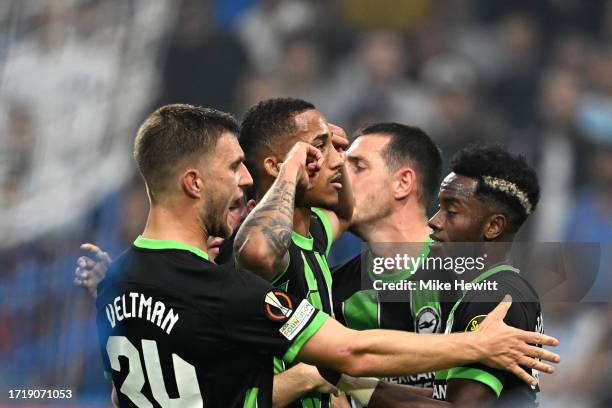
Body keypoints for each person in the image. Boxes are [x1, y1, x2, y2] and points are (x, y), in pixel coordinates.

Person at [87, 104, 560, 408]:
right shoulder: (230, 285)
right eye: (234, 169)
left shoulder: (118, 282)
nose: (245, 181)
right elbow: (348, 353)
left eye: (352, 157)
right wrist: (477, 345)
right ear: (194, 183)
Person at [400, 144, 546, 406]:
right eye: (439, 208)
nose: (434, 221)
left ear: (492, 226)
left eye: (451, 212)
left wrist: (360, 389)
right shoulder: (488, 290)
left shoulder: (497, 299)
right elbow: (444, 395)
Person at [235, 97, 354, 407]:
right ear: (276, 166)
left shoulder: (314, 233)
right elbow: (260, 253)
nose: (337, 161)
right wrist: (290, 170)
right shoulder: (256, 244)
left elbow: (345, 214)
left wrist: (337, 154)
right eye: (319, 149)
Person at [331, 123, 448, 402]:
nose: (339, 177)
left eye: (357, 167)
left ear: (402, 183)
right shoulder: (333, 289)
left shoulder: (470, 278)